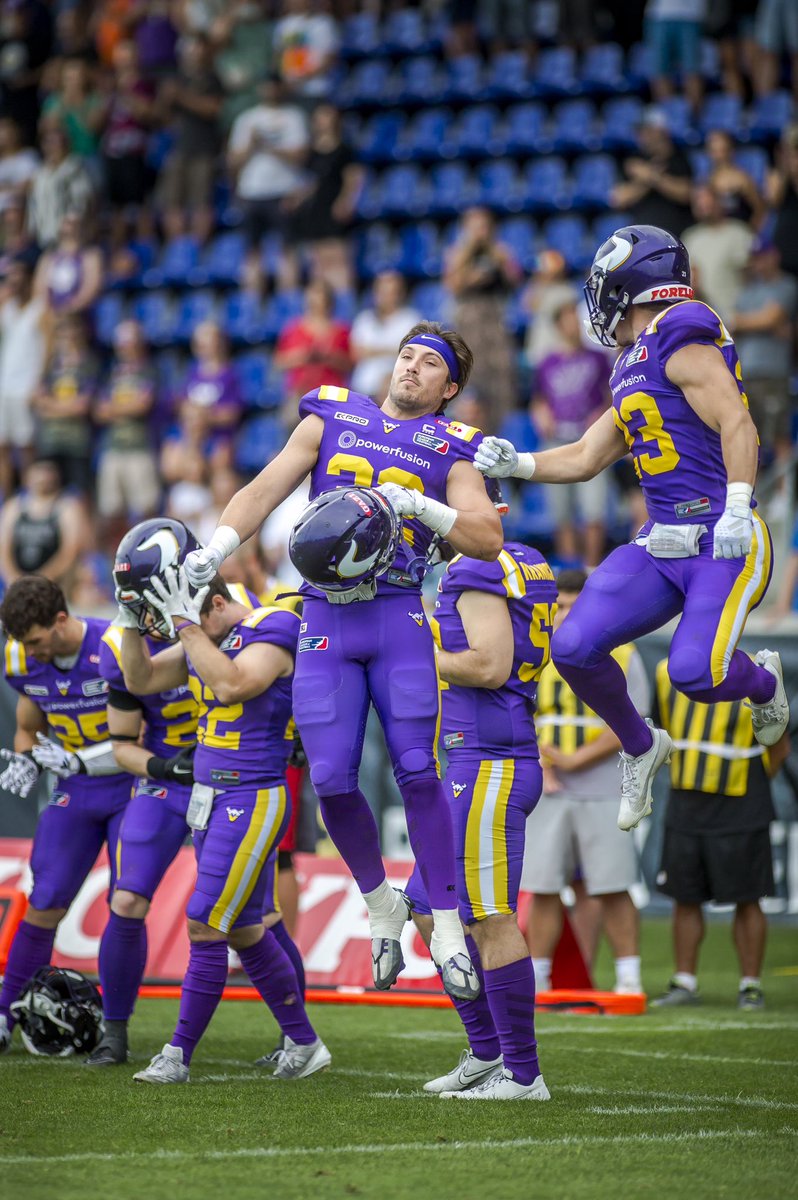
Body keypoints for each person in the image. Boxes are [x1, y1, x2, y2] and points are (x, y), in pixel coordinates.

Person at [184, 320, 503, 998]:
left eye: (428, 364)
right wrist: (216, 548)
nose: (411, 368)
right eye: (406, 356)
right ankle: (381, 903)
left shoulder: (453, 447)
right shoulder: (332, 416)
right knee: (329, 778)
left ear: (449, 388)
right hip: (325, 615)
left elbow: (486, 534)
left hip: (397, 617)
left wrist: (423, 504)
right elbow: (264, 489)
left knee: (417, 769)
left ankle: (444, 924)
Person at [475, 224, 790, 834]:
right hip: (664, 539)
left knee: (697, 674)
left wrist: (737, 502)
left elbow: (738, 423)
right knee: (571, 647)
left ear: (630, 283)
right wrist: (521, 463)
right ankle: (641, 745)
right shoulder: (631, 361)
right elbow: (591, 454)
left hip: (723, 538)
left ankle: (764, 681)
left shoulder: (682, 327)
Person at [118, 563, 329, 1083]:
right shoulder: (202, 634)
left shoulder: (270, 627)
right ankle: (304, 1043)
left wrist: (186, 627)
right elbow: (140, 678)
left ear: (214, 605)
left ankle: (177, 1054)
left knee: (204, 921)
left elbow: (234, 684)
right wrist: (128, 621)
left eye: (188, 619)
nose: (181, 630)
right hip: (210, 796)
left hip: (252, 794)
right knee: (243, 928)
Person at [404, 483, 557, 1101]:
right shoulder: (522, 558)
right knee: (425, 902)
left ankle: (523, 1073)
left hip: (492, 759)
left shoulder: (476, 564)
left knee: (488, 916)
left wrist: (410, 653)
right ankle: (487, 1051)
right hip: (479, 756)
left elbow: (489, 665)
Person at [0, 576, 134, 1052]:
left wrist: (82, 759)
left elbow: (144, 736)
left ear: (61, 620)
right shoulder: (21, 659)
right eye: (23, 644)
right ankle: (3, 1013)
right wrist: (25, 757)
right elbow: (28, 728)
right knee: (46, 898)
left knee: (126, 902)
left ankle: (115, 1029)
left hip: (132, 785)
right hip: (76, 790)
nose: (31, 652)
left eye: (36, 641)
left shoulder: (115, 646)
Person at [521, 569, 646, 997]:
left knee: (613, 885)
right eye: (562, 607)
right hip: (549, 786)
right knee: (542, 885)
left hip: (603, 786)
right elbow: (518, 714)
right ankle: (538, 977)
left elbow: (634, 722)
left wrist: (574, 759)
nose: (567, 615)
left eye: (575, 606)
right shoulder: (533, 651)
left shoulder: (623, 653)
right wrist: (548, 764)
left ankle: (629, 977)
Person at [650, 655, 789, 1009]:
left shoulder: (758, 673)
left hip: (743, 801)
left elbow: (779, 743)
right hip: (686, 800)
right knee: (684, 895)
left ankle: (750, 986)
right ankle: (684, 982)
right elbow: (658, 730)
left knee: (748, 896)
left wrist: (753, 782)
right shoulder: (666, 671)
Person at [532, 300, 611, 568]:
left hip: (592, 441)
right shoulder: (546, 363)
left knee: (593, 510)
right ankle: (569, 574)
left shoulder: (599, 358)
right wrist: (542, 416)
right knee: (561, 513)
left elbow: (613, 397)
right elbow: (538, 400)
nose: (574, 325)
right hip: (556, 441)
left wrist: (600, 414)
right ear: (557, 326)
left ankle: (590, 570)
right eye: (567, 319)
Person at [226, 74, 308, 295]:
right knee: (252, 252)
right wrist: (252, 145)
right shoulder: (246, 119)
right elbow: (233, 160)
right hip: (252, 191)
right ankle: (251, 303)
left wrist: (269, 146)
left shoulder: (293, 117)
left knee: (288, 249)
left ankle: (288, 299)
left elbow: (301, 154)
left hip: (283, 190)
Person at [730, 234, 798, 499]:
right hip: (746, 374)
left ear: (775, 256)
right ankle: (748, 498)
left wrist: (756, 323)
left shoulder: (787, 285)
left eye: (763, 257)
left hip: (774, 373)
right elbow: (733, 324)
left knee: (779, 436)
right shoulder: (748, 291)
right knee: (748, 438)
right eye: (755, 259)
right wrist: (761, 322)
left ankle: (785, 498)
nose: (759, 263)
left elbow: (772, 318)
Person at [443, 206, 521, 432]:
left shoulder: (499, 251)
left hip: (494, 322)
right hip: (468, 322)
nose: (480, 231)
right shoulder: (457, 253)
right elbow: (452, 285)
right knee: (467, 377)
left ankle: (501, 433)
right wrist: (471, 271)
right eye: (474, 226)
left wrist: (496, 253)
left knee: (500, 383)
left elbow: (514, 280)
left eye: (484, 226)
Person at [282, 103, 362, 292]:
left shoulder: (344, 150)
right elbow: (309, 182)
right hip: (315, 209)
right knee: (317, 260)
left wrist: (346, 200)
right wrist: (297, 198)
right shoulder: (311, 153)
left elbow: (353, 178)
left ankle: (344, 298)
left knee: (337, 256)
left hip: (333, 206)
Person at [94, 319, 160, 542]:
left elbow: (143, 404)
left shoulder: (149, 371)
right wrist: (127, 407)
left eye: (130, 342)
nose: (126, 347)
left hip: (140, 447)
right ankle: (119, 558)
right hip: (112, 447)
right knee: (111, 511)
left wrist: (114, 408)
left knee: (146, 508)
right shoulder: (111, 373)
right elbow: (98, 411)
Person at [156, 33, 222, 244]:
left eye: (198, 48)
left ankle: (196, 252)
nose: (194, 53)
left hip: (203, 148)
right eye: (190, 48)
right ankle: (178, 252)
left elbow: (213, 108)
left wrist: (181, 96)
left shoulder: (212, 78)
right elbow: (162, 117)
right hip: (177, 148)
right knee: (171, 202)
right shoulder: (176, 78)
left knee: (201, 202)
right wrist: (165, 100)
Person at [31, 313, 98, 495]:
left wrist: (52, 407)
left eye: (72, 330)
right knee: (48, 491)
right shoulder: (51, 364)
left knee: (80, 495)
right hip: (50, 440)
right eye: (64, 331)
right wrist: (67, 407)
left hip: (77, 442)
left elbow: (83, 406)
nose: (69, 336)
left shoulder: (89, 363)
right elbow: (37, 400)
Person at [0, 456, 88, 594]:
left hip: (57, 581)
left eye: (48, 473)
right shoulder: (14, 506)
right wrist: (12, 577)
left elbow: (71, 550)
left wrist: (43, 578)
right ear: (27, 477)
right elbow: (3, 549)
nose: (43, 478)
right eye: (39, 473)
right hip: (19, 580)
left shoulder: (67, 506)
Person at [273, 278, 351, 426]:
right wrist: (303, 356)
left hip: (331, 394)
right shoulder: (293, 329)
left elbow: (350, 363)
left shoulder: (341, 330)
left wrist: (329, 357)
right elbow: (279, 361)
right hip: (300, 392)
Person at [0, 254, 46, 496]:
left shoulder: (40, 309)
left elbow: (48, 349)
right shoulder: (7, 308)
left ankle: (31, 496)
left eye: (18, 276)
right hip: (5, 386)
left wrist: (40, 382)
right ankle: (6, 501)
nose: (12, 282)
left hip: (26, 387)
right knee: (3, 448)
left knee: (27, 447)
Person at [611, 108, 693, 238]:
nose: (642, 136)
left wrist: (650, 175)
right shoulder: (635, 160)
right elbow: (618, 199)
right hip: (642, 238)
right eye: (641, 131)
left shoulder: (679, 159)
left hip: (676, 236)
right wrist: (649, 178)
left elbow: (687, 194)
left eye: (648, 131)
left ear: (662, 132)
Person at [175, 320, 244, 473]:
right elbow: (183, 405)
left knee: (219, 467)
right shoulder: (192, 373)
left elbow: (232, 413)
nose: (204, 348)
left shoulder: (229, 375)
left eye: (209, 342)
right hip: (193, 438)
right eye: (201, 344)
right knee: (174, 462)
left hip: (219, 437)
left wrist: (202, 417)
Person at [681, 184, 753, 322]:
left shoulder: (739, 232)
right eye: (698, 200)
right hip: (702, 316)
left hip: (736, 315)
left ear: (720, 202)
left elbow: (750, 278)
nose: (703, 204)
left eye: (708, 199)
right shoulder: (690, 237)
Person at [350, 271, 420, 400]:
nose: (384, 297)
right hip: (362, 388)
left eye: (390, 293)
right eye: (380, 292)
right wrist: (391, 349)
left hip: (394, 392)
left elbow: (411, 356)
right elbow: (355, 354)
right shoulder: (364, 319)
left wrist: (372, 350)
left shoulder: (410, 319)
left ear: (400, 294)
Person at [27, 118, 94, 249]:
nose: (53, 147)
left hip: (68, 236)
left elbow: (81, 202)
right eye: (49, 143)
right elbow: (33, 204)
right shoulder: (40, 173)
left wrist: (71, 231)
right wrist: (31, 230)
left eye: (57, 143)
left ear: (66, 145)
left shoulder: (75, 168)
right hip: (43, 236)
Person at [33, 209, 104, 317]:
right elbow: (39, 289)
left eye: (76, 223)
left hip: (79, 314)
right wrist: (49, 311)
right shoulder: (48, 258)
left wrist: (70, 309)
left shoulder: (91, 256)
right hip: (51, 313)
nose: (72, 228)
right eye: (68, 223)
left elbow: (91, 288)